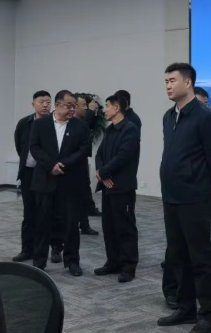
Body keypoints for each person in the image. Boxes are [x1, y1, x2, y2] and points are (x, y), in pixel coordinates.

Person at [157, 63, 211, 333]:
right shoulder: (168, 116)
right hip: (171, 197)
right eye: (166, 81)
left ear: (188, 83)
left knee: (200, 257)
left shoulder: (205, 117)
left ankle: (208, 314)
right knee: (178, 256)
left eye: (172, 80)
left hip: (195, 198)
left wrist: (202, 186)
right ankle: (185, 308)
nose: (168, 85)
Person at [30, 90, 91, 276]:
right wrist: (51, 165)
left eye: (74, 106)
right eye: (68, 105)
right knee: (42, 223)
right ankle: (39, 261)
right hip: (45, 180)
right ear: (57, 105)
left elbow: (84, 150)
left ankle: (72, 261)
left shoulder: (80, 126)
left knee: (71, 224)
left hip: (70, 181)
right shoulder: (40, 124)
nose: (72, 109)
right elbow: (34, 147)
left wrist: (63, 164)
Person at [93, 93, 140, 283]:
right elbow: (100, 154)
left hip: (123, 187)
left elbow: (123, 156)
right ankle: (112, 261)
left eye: (107, 106)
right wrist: (101, 173)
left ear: (117, 108)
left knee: (125, 226)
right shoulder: (110, 130)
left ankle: (128, 266)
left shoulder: (130, 129)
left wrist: (104, 173)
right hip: (108, 186)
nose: (104, 110)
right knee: (109, 225)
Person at [12, 90, 51, 262]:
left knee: (46, 213)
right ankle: (26, 249)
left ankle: (48, 250)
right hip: (28, 172)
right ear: (33, 104)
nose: (45, 105)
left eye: (48, 102)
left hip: (46, 174)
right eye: (41, 101)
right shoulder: (24, 123)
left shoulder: (53, 123)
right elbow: (19, 145)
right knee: (29, 213)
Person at [75, 94, 100, 234]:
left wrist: (93, 112)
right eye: (83, 105)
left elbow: (89, 126)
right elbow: (83, 128)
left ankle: (84, 224)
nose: (85, 108)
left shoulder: (82, 121)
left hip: (82, 162)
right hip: (72, 164)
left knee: (84, 193)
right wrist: (90, 112)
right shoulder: (71, 122)